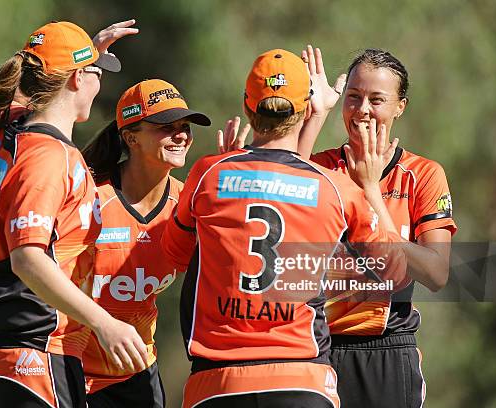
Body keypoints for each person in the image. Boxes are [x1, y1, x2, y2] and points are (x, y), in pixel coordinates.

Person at [161, 48, 409, 408]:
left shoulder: (208, 172)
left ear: (248, 106)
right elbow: (395, 271)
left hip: (217, 382)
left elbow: (174, 253)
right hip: (302, 380)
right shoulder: (335, 187)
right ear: (306, 108)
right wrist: (371, 188)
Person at [0, 20, 149, 408]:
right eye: (96, 73)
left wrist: (86, 50)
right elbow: (28, 259)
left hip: (12, 350)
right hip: (33, 348)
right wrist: (104, 322)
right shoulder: (47, 157)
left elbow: (43, 85)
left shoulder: (11, 131)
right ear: (78, 79)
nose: (101, 82)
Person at [302, 47, 458, 408]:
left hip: (388, 351)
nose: (362, 110)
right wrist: (316, 113)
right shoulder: (320, 168)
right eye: (353, 97)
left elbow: (436, 273)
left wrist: (371, 189)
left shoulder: (423, 175)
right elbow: (283, 182)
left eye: (377, 99)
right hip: (319, 346)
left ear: (400, 107)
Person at [80, 79, 211, 408]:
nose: (180, 135)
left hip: (137, 370)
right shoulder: (90, 197)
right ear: (130, 137)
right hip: (74, 369)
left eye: (185, 126)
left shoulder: (187, 202)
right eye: (166, 127)